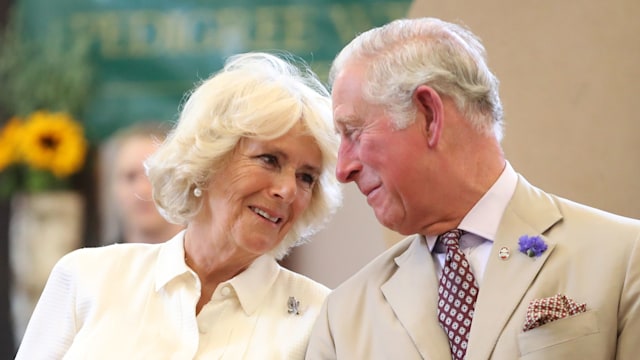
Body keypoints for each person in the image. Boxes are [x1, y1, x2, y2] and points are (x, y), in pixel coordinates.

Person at [305, 17, 640, 360]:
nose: (344, 170)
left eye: (354, 132)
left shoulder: (626, 258)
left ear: (430, 115)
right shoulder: (342, 319)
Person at [15, 51, 342, 359]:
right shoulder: (87, 277)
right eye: (269, 159)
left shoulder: (321, 316)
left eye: (306, 177)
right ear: (209, 161)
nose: (287, 190)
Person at [99, 121, 184, 245]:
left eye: (155, 177)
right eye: (130, 177)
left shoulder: (212, 262)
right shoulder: (95, 262)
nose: (142, 190)